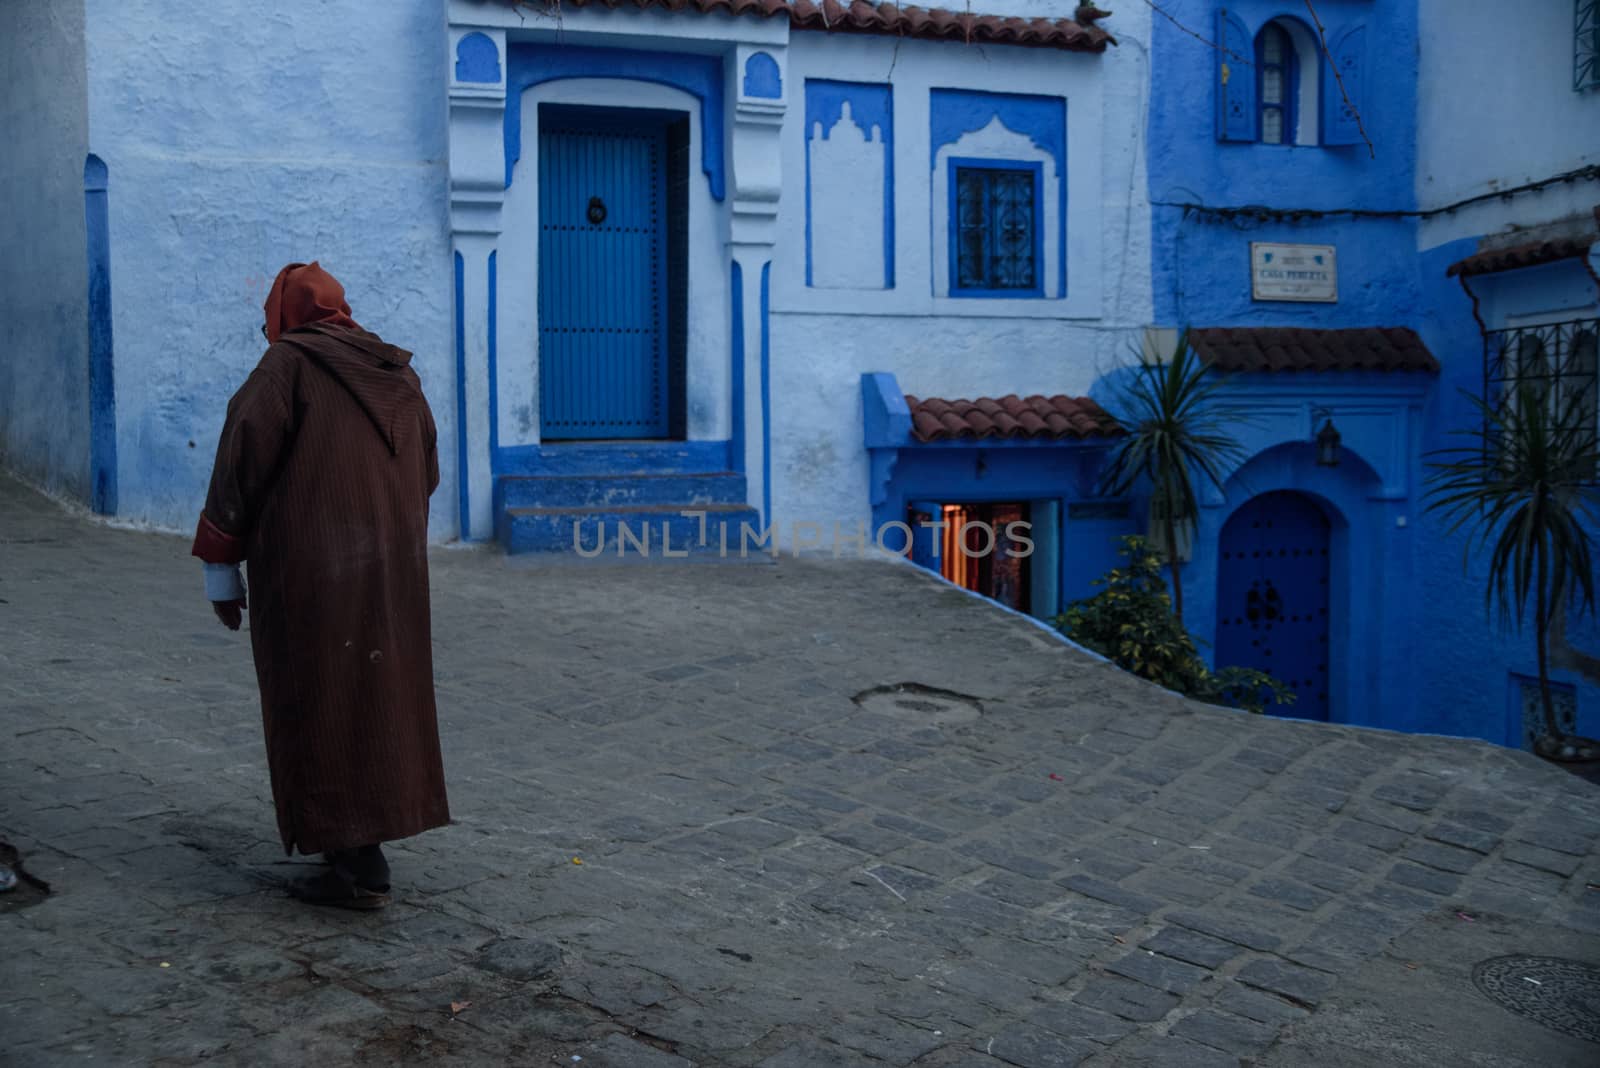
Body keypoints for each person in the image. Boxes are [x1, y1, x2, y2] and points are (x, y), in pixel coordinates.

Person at [192, 261, 449, 910]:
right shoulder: (399, 375)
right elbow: (427, 471)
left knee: (318, 702)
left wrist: (221, 569)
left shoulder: (287, 367)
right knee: (375, 699)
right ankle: (363, 852)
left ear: (286, 313)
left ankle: (355, 861)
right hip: (389, 577)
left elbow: (240, 462)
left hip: (309, 577)